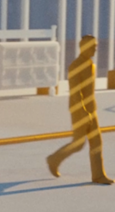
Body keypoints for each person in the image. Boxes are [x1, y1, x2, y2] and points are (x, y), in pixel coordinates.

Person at [47, 35, 115, 184]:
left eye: (96, 47)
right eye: (92, 47)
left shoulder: (91, 65)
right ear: (83, 47)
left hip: (91, 110)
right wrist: (83, 111)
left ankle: (98, 175)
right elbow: (75, 92)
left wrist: (92, 110)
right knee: (78, 143)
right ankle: (54, 159)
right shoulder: (76, 65)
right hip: (79, 110)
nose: (95, 50)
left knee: (97, 143)